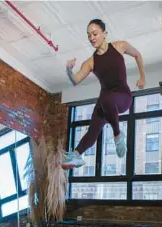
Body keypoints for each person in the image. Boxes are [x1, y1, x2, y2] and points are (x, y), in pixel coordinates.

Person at [62, 19, 145, 169]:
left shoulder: (119, 46)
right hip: (105, 102)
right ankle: (76, 156)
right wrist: (68, 70)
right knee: (92, 130)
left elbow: (138, 55)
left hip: (123, 98)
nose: (91, 38)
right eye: (89, 35)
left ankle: (118, 135)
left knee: (106, 98)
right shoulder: (90, 62)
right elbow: (75, 80)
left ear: (104, 33)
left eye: (94, 34)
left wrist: (142, 77)